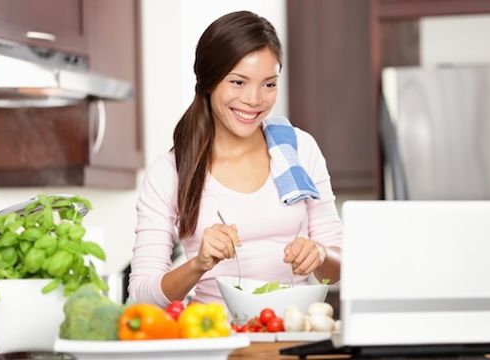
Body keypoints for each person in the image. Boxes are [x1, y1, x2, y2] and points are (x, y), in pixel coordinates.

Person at [129, 10, 342, 308]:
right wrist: (198, 264)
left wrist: (321, 254)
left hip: (296, 333)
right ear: (208, 81)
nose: (255, 100)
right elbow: (142, 296)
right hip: (213, 336)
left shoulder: (299, 149)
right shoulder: (171, 172)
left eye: (269, 84)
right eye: (238, 82)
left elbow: (340, 266)